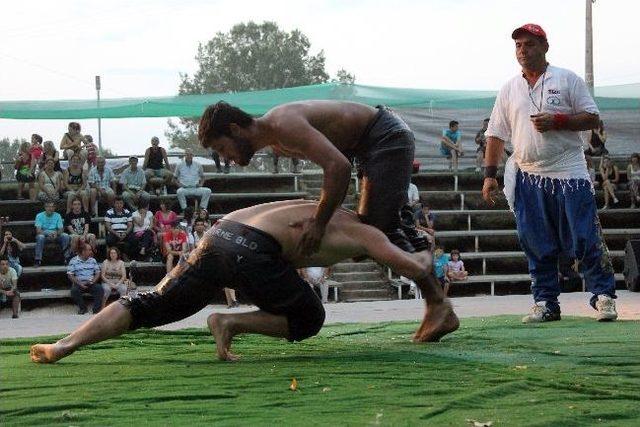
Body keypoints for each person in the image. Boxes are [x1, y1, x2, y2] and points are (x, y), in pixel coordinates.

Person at [30, 200, 459, 364]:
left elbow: (279, 245)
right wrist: (427, 268)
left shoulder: (322, 207)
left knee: (151, 303)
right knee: (309, 315)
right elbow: (412, 265)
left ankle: (65, 345)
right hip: (251, 249)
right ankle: (229, 323)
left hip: (221, 234)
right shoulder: (367, 232)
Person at [482, 23, 617, 323]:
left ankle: (604, 295)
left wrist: (558, 120)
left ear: (544, 46)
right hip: (528, 175)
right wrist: (490, 174)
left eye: (529, 44)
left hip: (569, 170)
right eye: (518, 45)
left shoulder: (567, 79)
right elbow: (495, 134)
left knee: (584, 235)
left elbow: (592, 118)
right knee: (535, 240)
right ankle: (545, 302)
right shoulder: (509, 88)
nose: (522, 50)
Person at [198, 100, 428, 256]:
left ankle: (437, 303)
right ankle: (434, 292)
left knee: (378, 231)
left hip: (385, 135)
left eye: (221, 147)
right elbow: (338, 163)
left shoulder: (283, 125)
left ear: (235, 129)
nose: (225, 158)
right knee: (378, 231)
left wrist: (319, 223)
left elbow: (338, 167)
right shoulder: (278, 145)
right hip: (370, 146)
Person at [67, 241, 103, 315]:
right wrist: (80, 284)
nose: (91, 251)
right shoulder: (73, 261)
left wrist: (93, 281)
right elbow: (70, 275)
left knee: (99, 289)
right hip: (79, 283)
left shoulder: (93, 260)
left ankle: (96, 310)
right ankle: (83, 308)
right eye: (89, 250)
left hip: (91, 282)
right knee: (74, 291)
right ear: (83, 251)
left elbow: (98, 273)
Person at [34, 201, 70, 267]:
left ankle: (67, 258)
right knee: (40, 237)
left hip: (56, 235)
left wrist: (56, 233)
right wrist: (48, 234)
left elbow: (61, 229)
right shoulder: (39, 215)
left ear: (54, 208)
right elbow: (38, 230)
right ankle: (37, 260)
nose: (50, 208)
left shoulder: (58, 215)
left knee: (66, 236)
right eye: (48, 206)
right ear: (45, 207)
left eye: (52, 207)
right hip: (44, 236)